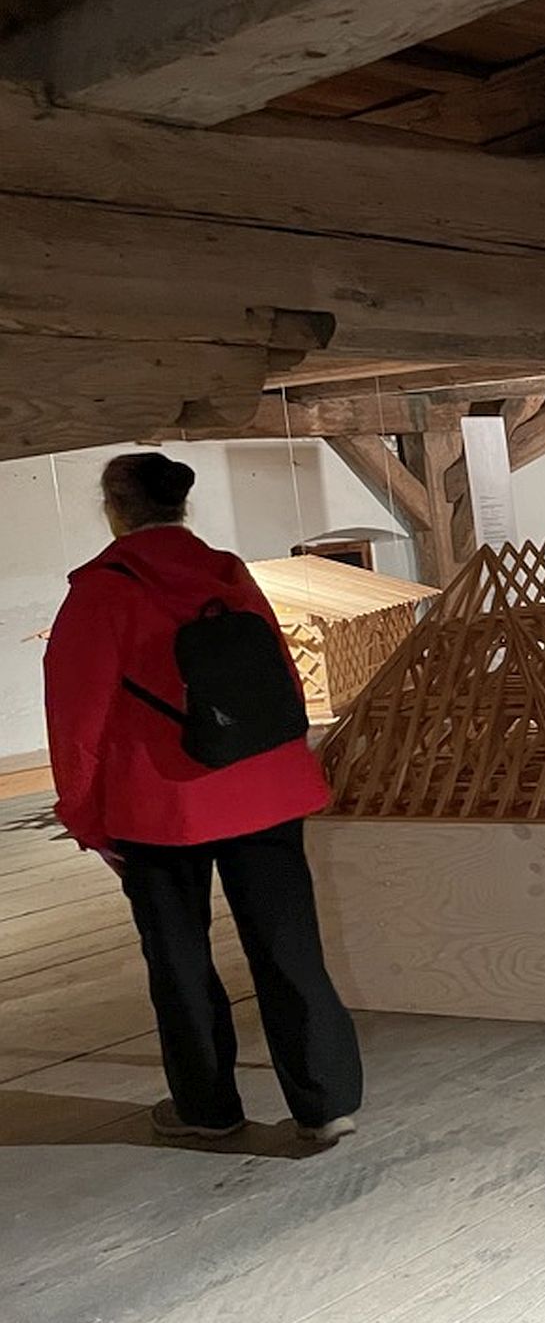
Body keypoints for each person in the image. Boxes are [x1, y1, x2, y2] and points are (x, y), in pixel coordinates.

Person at [44, 453, 363, 1147]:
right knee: (288, 947)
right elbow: (280, 678)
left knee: (181, 960)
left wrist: (85, 819)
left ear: (114, 509)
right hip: (265, 788)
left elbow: (76, 718)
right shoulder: (229, 573)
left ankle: (208, 1110)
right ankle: (326, 1104)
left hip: (161, 804)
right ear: (180, 506)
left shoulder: (102, 590)